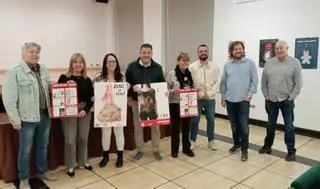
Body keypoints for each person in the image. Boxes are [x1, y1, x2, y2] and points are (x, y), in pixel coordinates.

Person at [2, 42, 57, 189]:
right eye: (31, 52)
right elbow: (9, 98)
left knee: (42, 146)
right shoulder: (15, 71)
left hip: (45, 116)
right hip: (27, 119)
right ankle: (24, 179)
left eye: (37, 52)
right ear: (23, 54)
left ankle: (42, 171)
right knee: (25, 150)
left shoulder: (43, 69)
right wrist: (14, 119)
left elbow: (47, 89)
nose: (35, 54)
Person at [259, 41, 303, 161]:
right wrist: (266, 96)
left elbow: (298, 83)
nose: (278, 50)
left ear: (287, 48)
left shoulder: (295, 62)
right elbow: (263, 82)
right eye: (277, 48)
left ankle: (291, 151)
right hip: (271, 100)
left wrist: (291, 97)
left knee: (289, 127)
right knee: (270, 125)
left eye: (281, 48)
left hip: (286, 101)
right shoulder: (269, 63)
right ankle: (267, 146)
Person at [125, 43, 165, 161]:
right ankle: (140, 150)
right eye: (144, 52)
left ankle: (156, 149)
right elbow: (126, 83)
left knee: (155, 128)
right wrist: (131, 92)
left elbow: (161, 84)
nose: (146, 55)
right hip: (137, 102)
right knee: (138, 128)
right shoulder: (132, 66)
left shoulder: (158, 67)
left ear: (152, 53)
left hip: (153, 102)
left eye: (148, 53)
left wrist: (164, 94)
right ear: (140, 53)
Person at [220, 41, 258, 161]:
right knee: (234, 125)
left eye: (240, 49)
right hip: (230, 100)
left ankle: (244, 149)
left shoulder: (250, 63)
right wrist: (223, 97)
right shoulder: (227, 65)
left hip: (243, 100)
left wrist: (250, 94)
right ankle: (236, 144)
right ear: (232, 52)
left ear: (243, 50)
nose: (238, 51)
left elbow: (255, 80)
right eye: (235, 49)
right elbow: (223, 82)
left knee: (243, 126)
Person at [57, 53, 94, 177]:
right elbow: (58, 96)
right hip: (69, 112)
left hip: (84, 111)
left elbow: (91, 99)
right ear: (71, 64)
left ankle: (83, 162)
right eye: (75, 62)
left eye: (81, 62)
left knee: (83, 138)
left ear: (84, 64)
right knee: (70, 140)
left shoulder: (87, 80)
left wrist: (86, 110)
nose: (78, 64)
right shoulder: (64, 77)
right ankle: (71, 164)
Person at [94, 53, 125, 168]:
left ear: (116, 63)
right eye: (109, 62)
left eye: (114, 62)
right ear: (105, 63)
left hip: (117, 109)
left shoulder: (121, 77)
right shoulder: (99, 77)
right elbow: (95, 92)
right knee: (106, 133)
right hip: (105, 109)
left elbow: (125, 92)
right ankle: (105, 156)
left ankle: (120, 157)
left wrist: (127, 87)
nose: (112, 64)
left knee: (119, 133)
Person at [189, 44, 220, 151]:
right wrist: (201, 94)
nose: (203, 53)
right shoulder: (192, 67)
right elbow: (191, 83)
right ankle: (192, 141)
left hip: (210, 99)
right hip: (197, 98)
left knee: (211, 120)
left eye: (205, 51)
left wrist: (210, 94)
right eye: (201, 51)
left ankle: (211, 141)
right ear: (198, 53)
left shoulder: (214, 66)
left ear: (208, 52)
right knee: (195, 120)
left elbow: (218, 82)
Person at [166, 52, 195, 158]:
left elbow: (193, 86)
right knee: (175, 128)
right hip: (175, 104)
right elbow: (166, 90)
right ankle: (174, 150)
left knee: (187, 127)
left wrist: (194, 89)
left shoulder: (190, 73)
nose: (185, 62)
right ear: (178, 61)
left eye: (187, 60)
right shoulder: (171, 74)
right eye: (183, 60)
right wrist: (173, 90)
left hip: (187, 104)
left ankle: (186, 148)